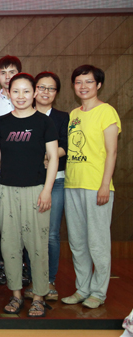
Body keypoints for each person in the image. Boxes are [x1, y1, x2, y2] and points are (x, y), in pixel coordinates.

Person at [0, 73, 58, 317]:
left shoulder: (44, 122)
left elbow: (53, 158)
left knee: (37, 244)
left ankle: (39, 296)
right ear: (8, 93)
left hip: (36, 190)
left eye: (26, 91)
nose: (21, 96)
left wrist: (47, 190)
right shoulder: (2, 122)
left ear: (35, 93)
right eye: (15, 91)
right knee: (9, 244)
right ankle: (16, 294)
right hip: (6, 190)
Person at [61, 65, 120, 309]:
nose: (83, 86)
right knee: (77, 242)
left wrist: (105, 185)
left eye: (88, 82)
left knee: (98, 242)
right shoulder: (74, 114)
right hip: (72, 184)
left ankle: (98, 293)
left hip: (97, 186)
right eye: (78, 82)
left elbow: (112, 151)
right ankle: (82, 288)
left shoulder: (107, 111)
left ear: (98, 85)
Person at [22, 72, 68, 301]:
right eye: (41, 87)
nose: (45, 92)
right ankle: (33, 279)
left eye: (51, 88)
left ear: (56, 93)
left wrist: (45, 156)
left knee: (50, 235)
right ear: (34, 90)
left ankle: (49, 280)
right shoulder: (23, 115)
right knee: (30, 233)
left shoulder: (62, 117)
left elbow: (64, 147)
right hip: (29, 181)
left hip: (56, 181)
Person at [0, 55, 23, 286]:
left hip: (24, 170)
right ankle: (2, 264)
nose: (8, 76)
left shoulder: (28, 97)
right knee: (0, 223)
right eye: (3, 72)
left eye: (12, 72)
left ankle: (24, 265)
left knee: (24, 221)